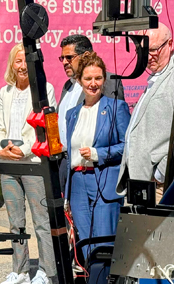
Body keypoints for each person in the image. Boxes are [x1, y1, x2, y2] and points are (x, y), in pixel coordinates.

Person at [0, 43, 57, 284]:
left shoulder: (45, 91)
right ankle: (19, 271)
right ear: (12, 64)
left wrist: (26, 149)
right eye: (17, 61)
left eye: (25, 62)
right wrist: (1, 149)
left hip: (33, 164)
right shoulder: (5, 92)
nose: (21, 66)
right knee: (15, 223)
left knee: (41, 222)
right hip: (8, 165)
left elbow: (49, 130)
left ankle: (46, 273)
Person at [116, 23, 174, 198]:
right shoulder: (158, 76)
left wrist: (161, 173)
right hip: (141, 182)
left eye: (153, 50)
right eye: (143, 51)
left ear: (170, 44)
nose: (148, 57)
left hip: (159, 186)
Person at [65, 52, 130, 259]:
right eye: (88, 78)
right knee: (84, 242)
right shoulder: (72, 114)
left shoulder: (116, 107)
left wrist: (97, 153)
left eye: (98, 78)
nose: (93, 83)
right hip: (77, 183)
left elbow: (127, 147)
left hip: (103, 180)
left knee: (104, 243)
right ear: (79, 80)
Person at [57, 34, 125, 191]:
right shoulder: (68, 86)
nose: (65, 62)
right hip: (67, 163)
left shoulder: (108, 81)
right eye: (62, 58)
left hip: (96, 168)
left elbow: (113, 131)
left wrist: (97, 155)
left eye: (69, 57)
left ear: (85, 55)